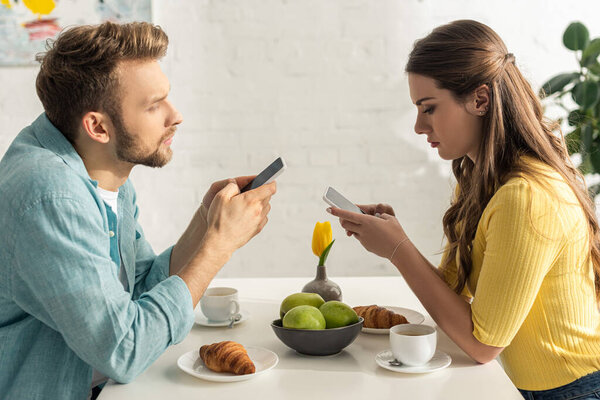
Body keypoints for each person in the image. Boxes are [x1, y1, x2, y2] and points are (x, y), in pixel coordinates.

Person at [0, 22, 276, 400]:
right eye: (153, 106)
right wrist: (218, 245)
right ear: (97, 126)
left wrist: (205, 221)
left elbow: (140, 289)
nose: (175, 115)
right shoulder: (51, 196)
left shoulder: (105, 172)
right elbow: (124, 349)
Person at [327, 20, 600, 398]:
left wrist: (397, 249)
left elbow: (483, 345)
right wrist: (392, 235)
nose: (419, 126)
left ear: (481, 100)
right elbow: (455, 292)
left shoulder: (526, 195)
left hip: (576, 390)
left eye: (429, 108)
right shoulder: (478, 178)